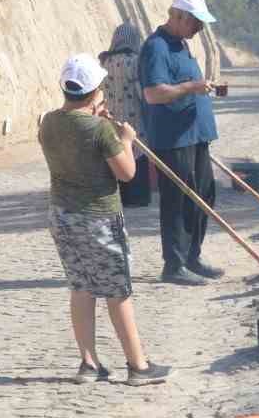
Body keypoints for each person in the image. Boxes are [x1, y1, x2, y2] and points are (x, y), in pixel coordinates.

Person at [38, 55, 172, 387]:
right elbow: (127, 173)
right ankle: (138, 366)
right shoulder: (100, 130)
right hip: (99, 218)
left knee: (81, 287)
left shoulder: (48, 122)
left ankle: (88, 363)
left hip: (62, 215)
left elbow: (72, 138)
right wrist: (124, 139)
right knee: (117, 290)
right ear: (96, 91)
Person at [140, 0, 224, 285]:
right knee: (177, 200)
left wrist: (201, 87)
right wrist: (191, 87)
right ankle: (173, 264)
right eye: (196, 24)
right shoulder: (156, 47)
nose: (198, 30)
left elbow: (186, 85)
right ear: (179, 17)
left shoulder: (181, 45)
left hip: (195, 135)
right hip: (173, 137)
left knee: (203, 194)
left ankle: (192, 256)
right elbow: (153, 93)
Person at [100, 22, 150, 208]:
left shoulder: (105, 62)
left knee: (117, 154)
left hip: (111, 119)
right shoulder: (135, 61)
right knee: (137, 154)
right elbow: (140, 91)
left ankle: (119, 197)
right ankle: (137, 198)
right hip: (134, 119)